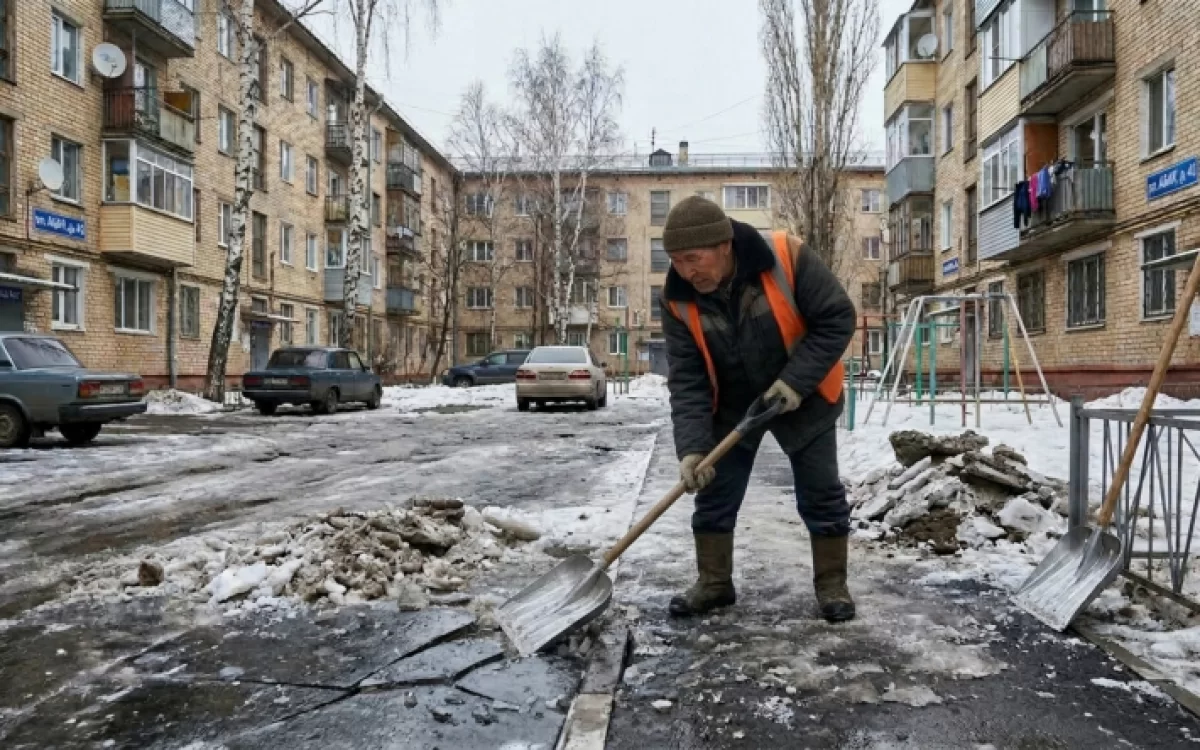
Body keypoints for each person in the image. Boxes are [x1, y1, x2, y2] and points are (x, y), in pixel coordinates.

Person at [658, 195, 857, 623]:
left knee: (821, 492)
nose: (686, 271)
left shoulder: (787, 257)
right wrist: (692, 449)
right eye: (676, 260)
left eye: (694, 258)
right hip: (730, 402)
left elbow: (837, 318)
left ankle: (832, 585)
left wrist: (795, 383)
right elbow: (688, 378)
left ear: (725, 245)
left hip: (803, 393)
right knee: (713, 493)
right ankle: (714, 583)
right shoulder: (676, 298)